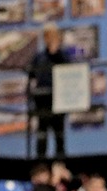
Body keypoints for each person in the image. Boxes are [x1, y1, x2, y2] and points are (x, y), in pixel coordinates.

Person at [27, 22, 70, 160]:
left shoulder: (63, 56)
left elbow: (70, 73)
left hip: (59, 101)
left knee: (59, 135)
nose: (49, 38)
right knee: (42, 136)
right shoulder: (39, 57)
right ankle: (41, 164)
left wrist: (55, 52)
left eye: (52, 35)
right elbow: (31, 75)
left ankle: (60, 164)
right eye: (46, 36)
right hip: (42, 102)